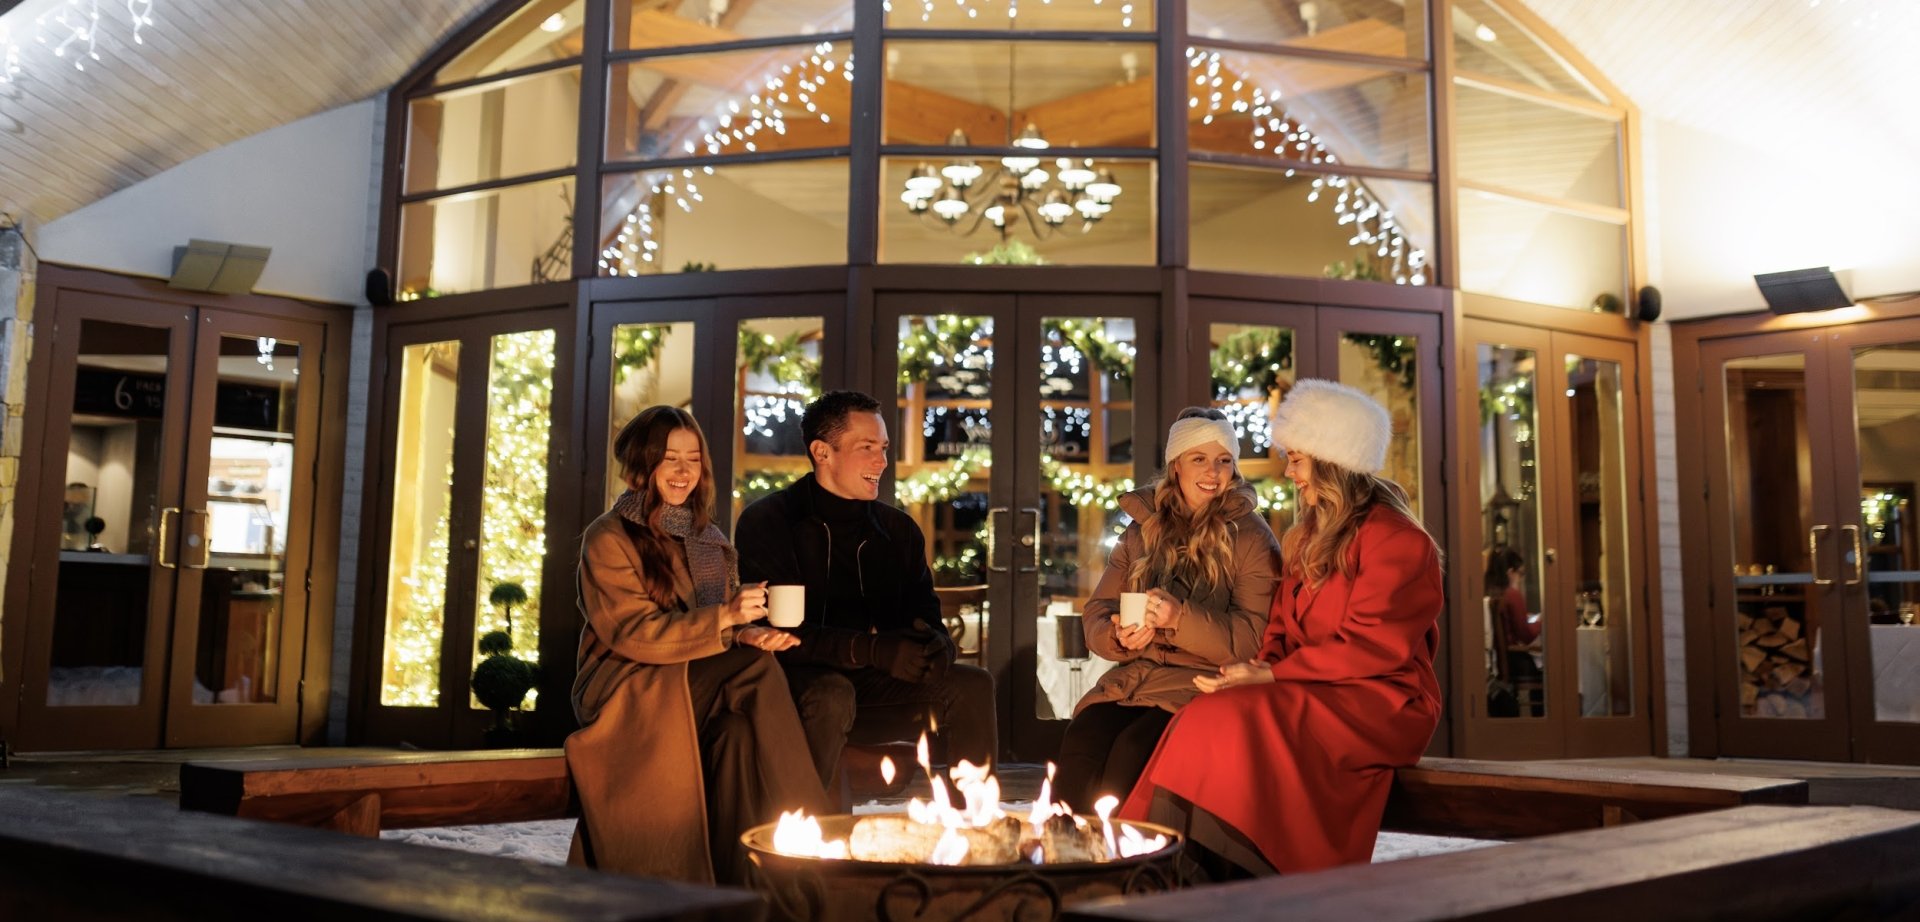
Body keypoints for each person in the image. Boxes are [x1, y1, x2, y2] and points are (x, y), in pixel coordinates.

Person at [1120, 379, 1444, 877]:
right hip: (1306, 686)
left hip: (1379, 698)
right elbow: (1280, 632)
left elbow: (1374, 648)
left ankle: (1249, 873)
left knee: (1236, 720)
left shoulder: (1397, 541)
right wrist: (1253, 669)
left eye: (1297, 458)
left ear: (1331, 461)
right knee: (1208, 713)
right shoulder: (1306, 538)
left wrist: (1272, 678)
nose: (1289, 471)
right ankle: (1173, 868)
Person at [565, 405, 830, 885]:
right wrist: (728, 620)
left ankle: (745, 885)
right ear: (642, 466)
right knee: (754, 670)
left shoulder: (709, 538)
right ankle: (815, 833)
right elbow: (633, 633)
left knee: (736, 735)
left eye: (693, 458)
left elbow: (716, 627)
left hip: (694, 678)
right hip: (628, 685)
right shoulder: (607, 538)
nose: (684, 471)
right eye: (670, 459)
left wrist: (746, 631)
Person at [735, 390, 997, 797]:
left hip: (877, 682)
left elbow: (927, 615)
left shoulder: (898, 531)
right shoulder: (769, 521)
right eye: (867, 447)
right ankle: (806, 833)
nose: (882, 461)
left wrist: (935, 648)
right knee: (832, 694)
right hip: (792, 681)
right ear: (823, 452)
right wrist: (873, 650)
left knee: (973, 685)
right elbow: (779, 636)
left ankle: (978, 829)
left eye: (884, 448)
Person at [1054, 407, 1279, 811]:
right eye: (1199, 459)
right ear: (1176, 466)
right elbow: (1098, 611)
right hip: (1140, 677)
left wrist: (1180, 619)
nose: (1213, 472)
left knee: (1132, 752)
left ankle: (1130, 861)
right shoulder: (1143, 528)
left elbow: (1254, 640)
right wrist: (1117, 635)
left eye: (1224, 460)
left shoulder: (1251, 537)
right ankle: (1068, 853)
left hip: (1208, 685)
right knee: (1083, 738)